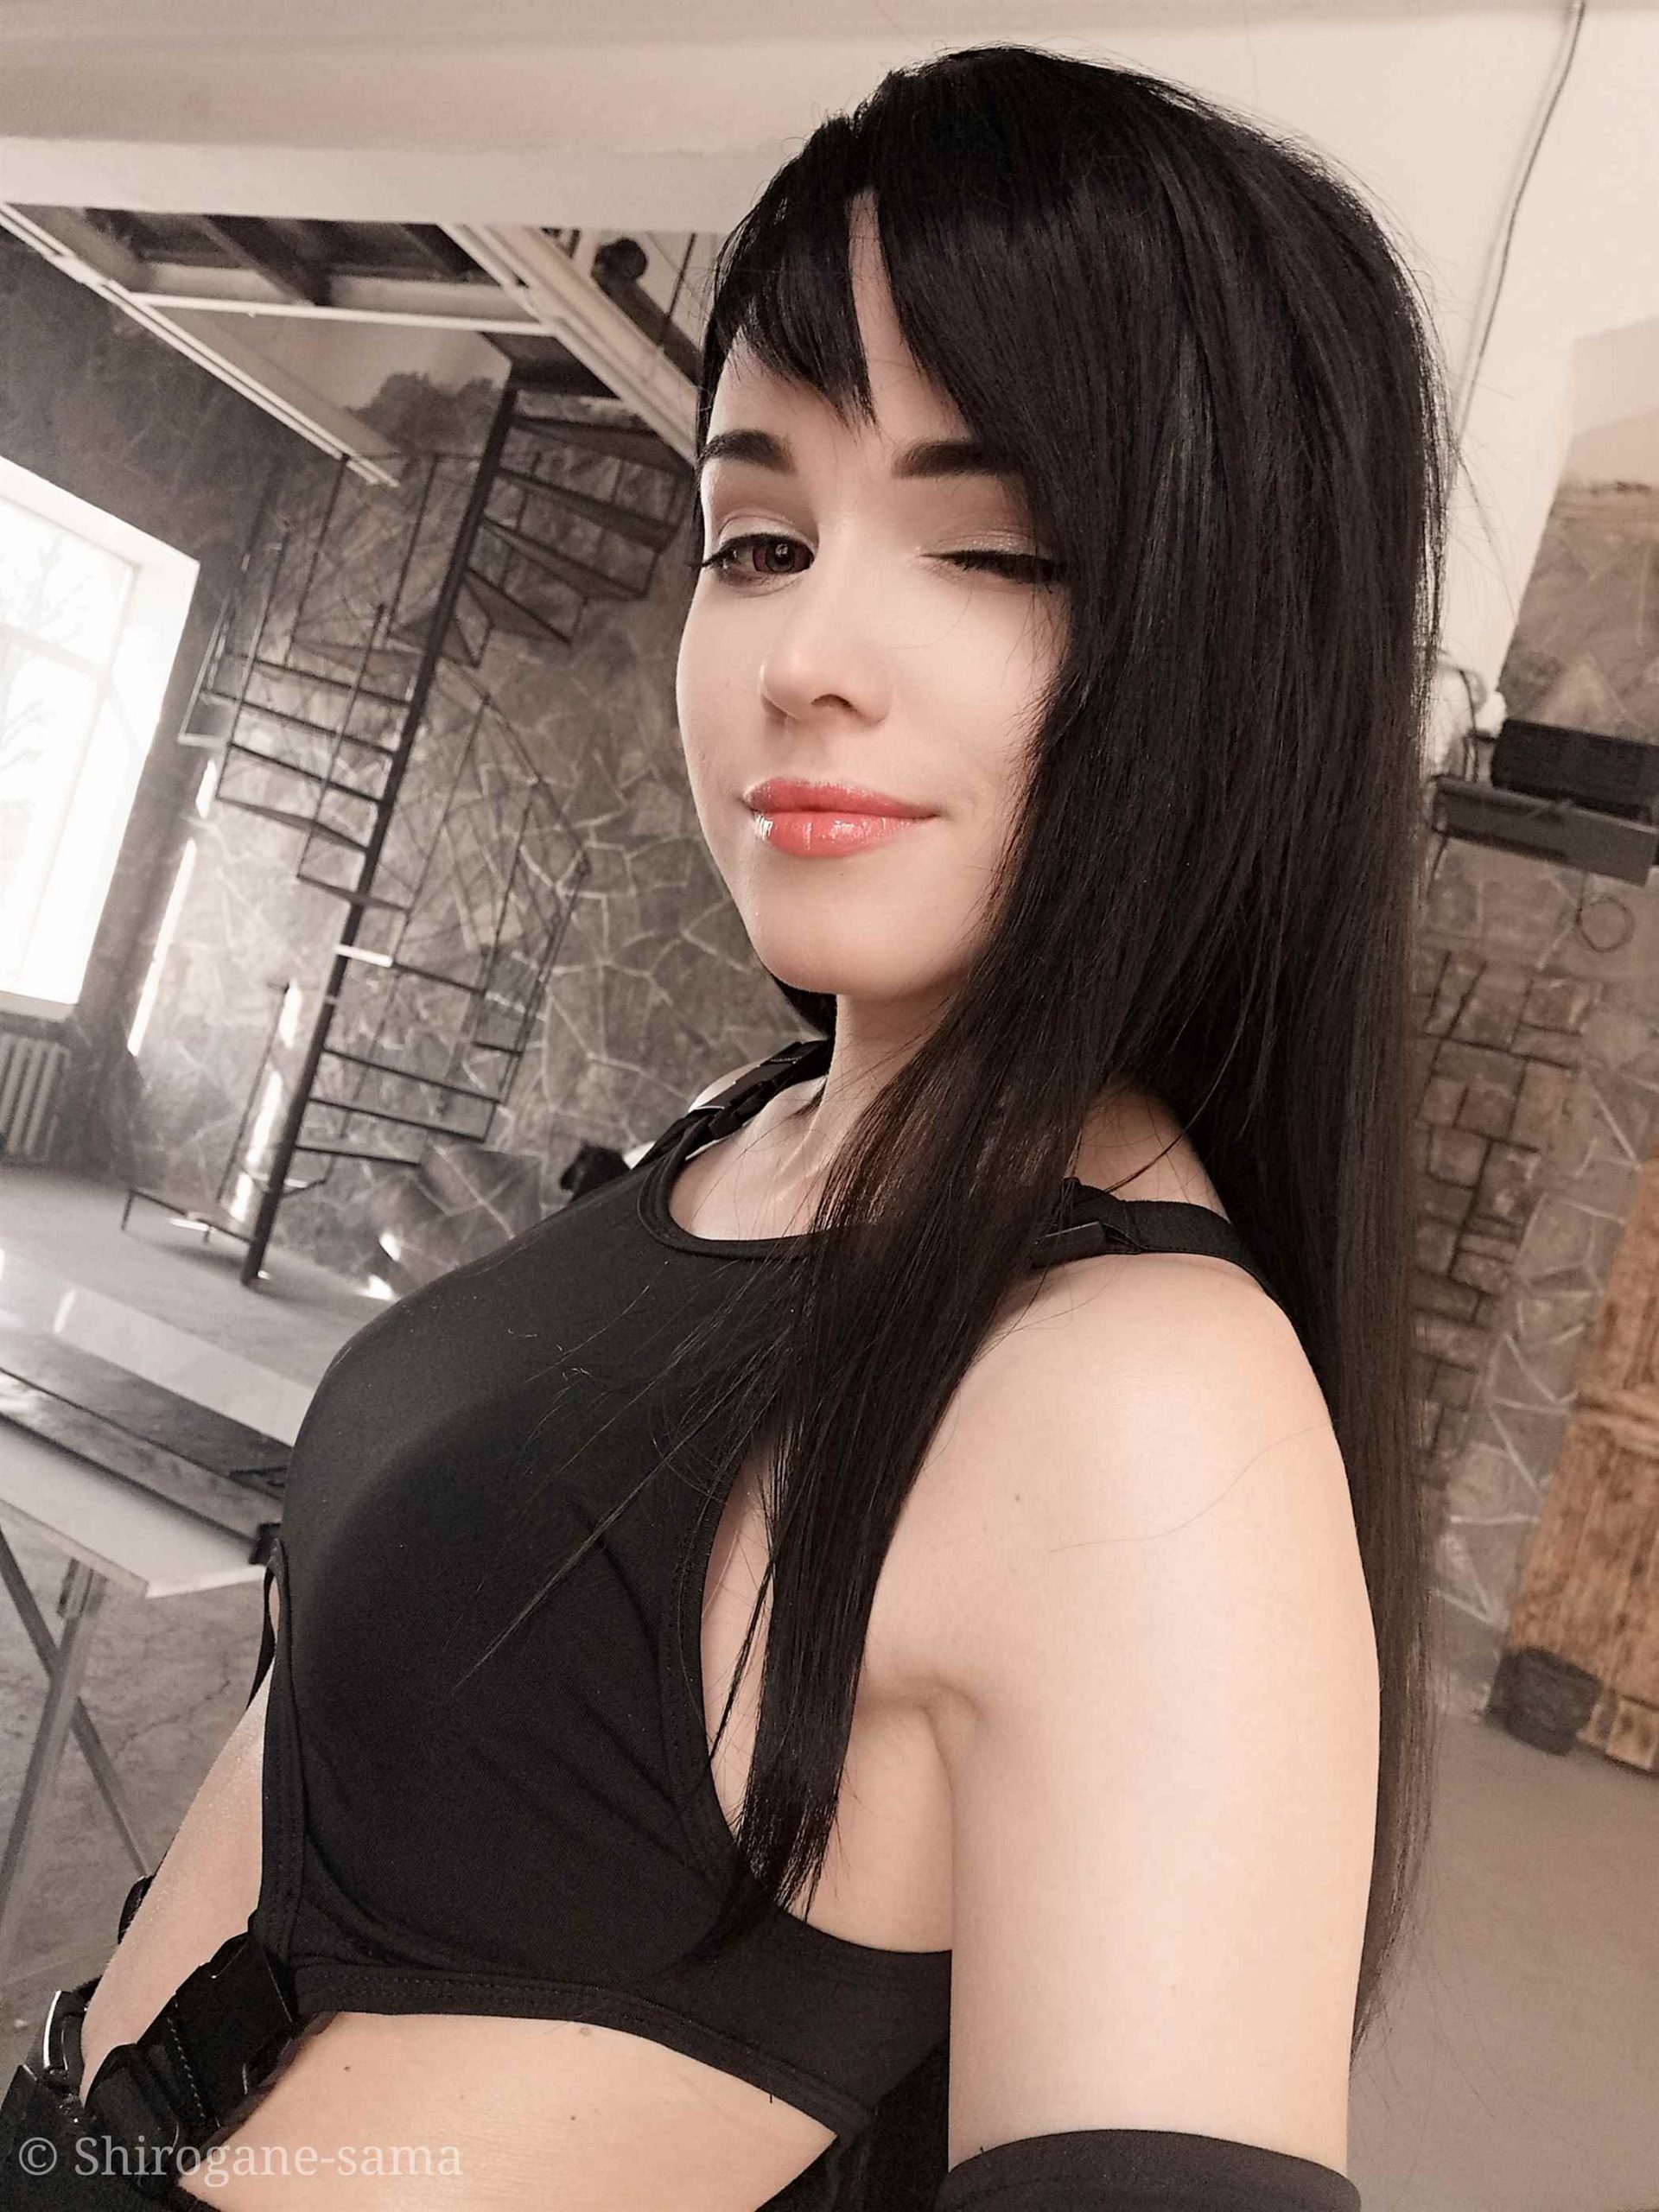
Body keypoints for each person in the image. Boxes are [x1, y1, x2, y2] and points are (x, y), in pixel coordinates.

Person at [0, 40, 1449, 2211]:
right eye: (758, 536)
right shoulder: (748, 1126)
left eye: (992, 548)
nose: (803, 655)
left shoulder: (1148, 1408)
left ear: (1242, 647)